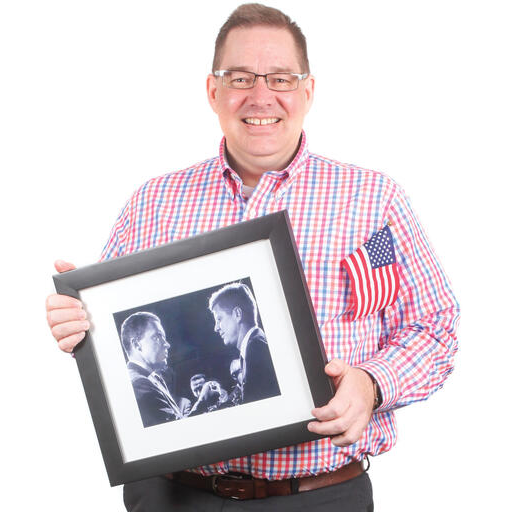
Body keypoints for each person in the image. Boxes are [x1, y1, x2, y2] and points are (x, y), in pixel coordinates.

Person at [45, 3, 459, 510]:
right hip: (174, 496)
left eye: (281, 78)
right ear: (212, 91)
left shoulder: (373, 200)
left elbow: (435, 329)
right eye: (240, 78)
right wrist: (78, 324)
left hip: (320, 497)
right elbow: (111, 342)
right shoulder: (153, 203)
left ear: (308, 91)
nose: (261, 96)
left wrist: (372, 383)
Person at [208, 282, 280, 403]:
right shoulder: (254, 346)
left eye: (219, 319)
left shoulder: (256, 349)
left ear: (237, 314)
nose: (216, 328)